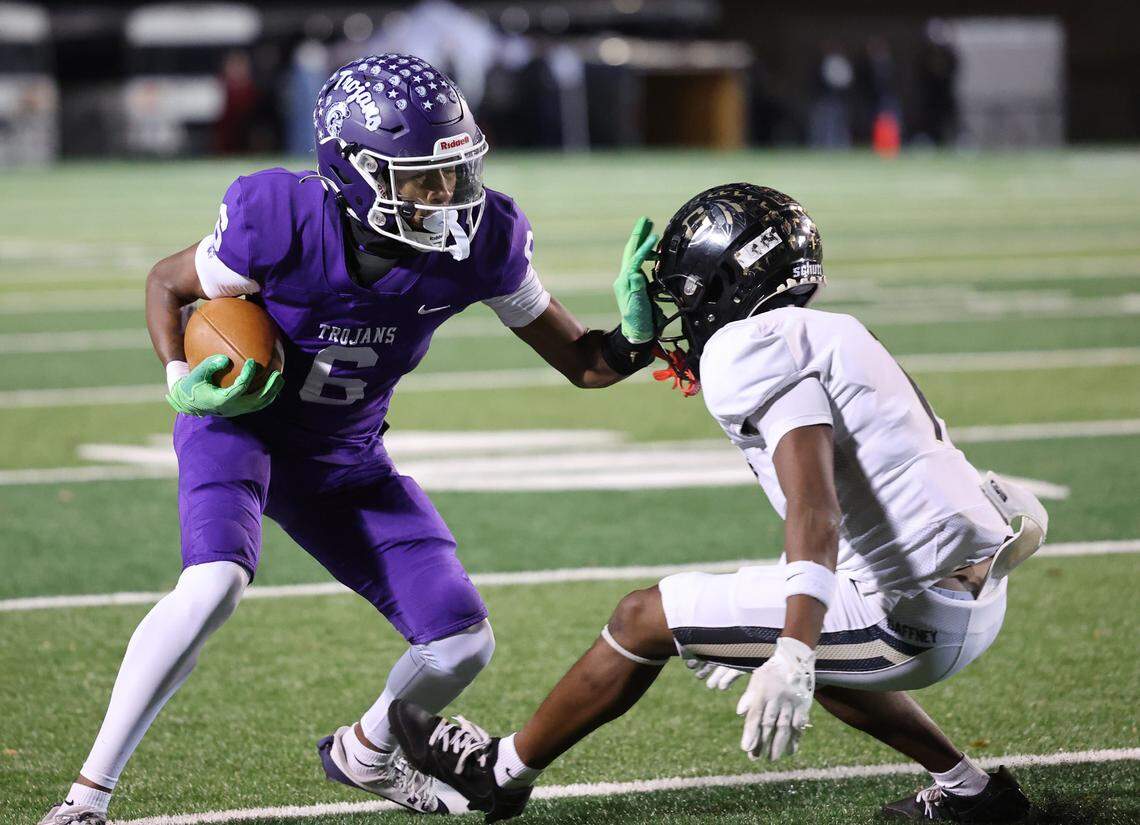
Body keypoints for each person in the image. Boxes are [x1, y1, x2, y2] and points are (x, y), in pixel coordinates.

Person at [39, 54, 661, 824]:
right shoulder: (279, 216)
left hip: (344, 455)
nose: (449, 198)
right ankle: (85, 798)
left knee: (463, 642)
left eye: (456, 173)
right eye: (422, 180)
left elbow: (582, 364)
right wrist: (178, 376)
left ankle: (366, 750)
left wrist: (636, 339)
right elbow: (168, 283)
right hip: (241, 425)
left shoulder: (484, 239)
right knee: (213, 585)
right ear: (354, 171)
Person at [387, 183, 1047, 823]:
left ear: (725, 282)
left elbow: (815, 507)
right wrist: (769, 627)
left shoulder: (745, 347)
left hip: (913, 617)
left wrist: (789, 645)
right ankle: (969, 788)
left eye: (682, 289)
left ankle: (499, 773)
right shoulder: (829, 330)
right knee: (805, 629)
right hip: (976, 588)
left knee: (643, 616)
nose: (680, 308)